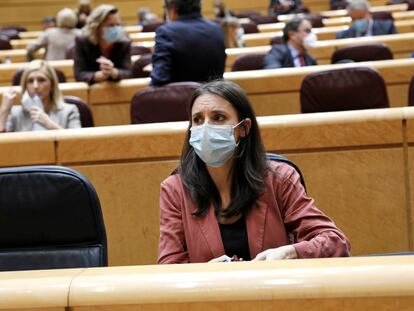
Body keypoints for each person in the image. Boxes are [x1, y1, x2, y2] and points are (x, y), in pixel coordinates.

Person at [158, 80, 351, 264]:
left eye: (218, 118)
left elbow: (335, 241)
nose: (206, 127)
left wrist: (290, 252)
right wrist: (205, 274)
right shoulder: (175, 189)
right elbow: (169, 266)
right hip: (210, 297)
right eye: (198, 120)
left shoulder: (279, 178)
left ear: (243, 128)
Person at [150, 0, 226, 86]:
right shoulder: (216, 29)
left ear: (172, 8)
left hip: (180, 98)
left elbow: (159, 79)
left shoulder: (165, 31)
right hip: (214, 96)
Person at [0, 60, 81, 132]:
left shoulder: (69, 111)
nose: (35, 86)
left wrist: (49, 124)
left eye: (41, 80)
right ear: (25, 86)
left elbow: (78, 145)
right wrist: (3, 112)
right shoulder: (15, 114)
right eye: (30, 81)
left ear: (52, 84)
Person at [73, 4, 132, 84]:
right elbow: (79, 74)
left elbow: (128, 72)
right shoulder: (82, 41)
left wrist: (113, 72)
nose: (115, 29)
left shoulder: (124, 42)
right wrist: (99, 76)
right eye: (110, 25)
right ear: (97, 27)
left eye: (117, 25)